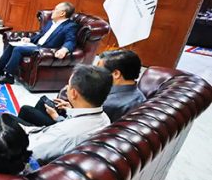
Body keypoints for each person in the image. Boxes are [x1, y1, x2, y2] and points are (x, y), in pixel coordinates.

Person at [18, 50, 146, 125]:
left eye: (98, 69)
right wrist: (71, 108)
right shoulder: (137, 95)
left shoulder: (111, 104)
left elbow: (82, 129)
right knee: (44, 103)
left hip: (69, 130)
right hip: (76, 118)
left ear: (116, 74)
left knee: (26, 110)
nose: (94, 71)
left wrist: (58, 117)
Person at [25, 65, 112, 163]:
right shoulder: (105, 118)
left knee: (18, 114)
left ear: (74, 93)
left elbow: (28, 151)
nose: (66, 87)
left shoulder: (63, 134)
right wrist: (70, 110)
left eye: (68, 84)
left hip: (31, 147)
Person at [0, 2, 78, 84]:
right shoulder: (51, 22)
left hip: (45, 49)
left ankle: (9, 76)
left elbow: (70, 40)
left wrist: (64, 50)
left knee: (18, 49)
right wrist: (30, 40)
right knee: (12, 44)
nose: (52, 11)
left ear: (62, 13)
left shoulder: (70, 26)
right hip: (36, 45)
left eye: (55, 9)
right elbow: (41, 34)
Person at [96, 50, 147, 121]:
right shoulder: (139, 97)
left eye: (98, 70)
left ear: (116, 74)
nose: (95, 73)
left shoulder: (107, 105)